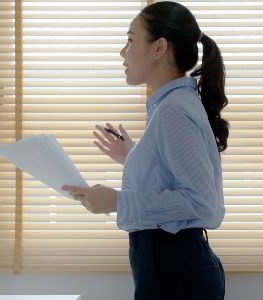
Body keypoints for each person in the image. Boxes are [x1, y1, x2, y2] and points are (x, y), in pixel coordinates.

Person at [61, 2, 228, 300]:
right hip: (172, 270)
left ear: (159, 47)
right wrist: (135, 158)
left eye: (130, 40)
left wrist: (117, 201)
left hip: (177, 275)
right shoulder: (170, 106)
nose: (122, 52)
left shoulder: (174, 111)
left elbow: (202, 203)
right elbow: (176, 180)